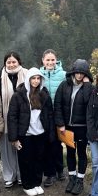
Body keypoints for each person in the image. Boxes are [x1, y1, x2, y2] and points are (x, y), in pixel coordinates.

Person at [8, 67, 53, 196]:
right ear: (28, 79)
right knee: (26, 160)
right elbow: (12, 116)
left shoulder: (44, 94)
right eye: (33, 78)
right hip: (25, 134)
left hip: (40, 133)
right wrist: (14, 138)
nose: (36, 81)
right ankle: (27, 185)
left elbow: (49, 114)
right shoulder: (19, 95)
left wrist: (50, 133)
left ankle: (37, 183)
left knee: (39, 159)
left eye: (38, 78)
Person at [53, 59, 93, 195]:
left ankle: (80, 180)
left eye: (82, 73)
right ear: (73, 72)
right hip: (67, 127)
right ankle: (71, 178)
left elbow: (89, 103)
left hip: (82, 127)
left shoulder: (89, 88)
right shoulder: (64, 85)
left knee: (81, 153)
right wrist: (60, 124)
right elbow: (57, 105)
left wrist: (87, 85)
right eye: (77, 72)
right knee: (70, 152)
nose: (80, 75)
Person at [0, 52, 27, 188]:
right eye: (9, 62)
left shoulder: (27, 75)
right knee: (6, 150)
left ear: (19, 62)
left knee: (22, 148)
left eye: (14, 62)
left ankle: (21, 174)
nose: (11, 64)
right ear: (5, 63)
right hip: (5, 119)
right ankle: (9, 176)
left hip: (23, 119)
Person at [40, 50, 67, 184]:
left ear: (56, 60)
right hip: (44, 115)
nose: (50, 62)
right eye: (47, 60)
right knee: (46, 144)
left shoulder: (63, 75)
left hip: (59, 113)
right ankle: (49, 173)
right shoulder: (38, 75)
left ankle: (60, 170)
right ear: (43, 60)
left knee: (57, 143)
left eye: (52, 60)